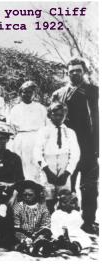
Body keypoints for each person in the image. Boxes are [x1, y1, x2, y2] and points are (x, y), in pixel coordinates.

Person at [52, 58, 99, 234]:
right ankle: (67, 224)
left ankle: (88, 222)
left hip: (88, 148)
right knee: (66, 188)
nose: (74, 74)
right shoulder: (59, 94)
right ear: (67, 73)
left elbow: (97, 119)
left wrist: (97, 147)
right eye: (71, 71)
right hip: (66, 148)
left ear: (84, 72)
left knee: (90, 187)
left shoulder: (94, 91)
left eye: (78, 70)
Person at [33, 102, 80, 213]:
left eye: (61, 115)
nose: (58, 117)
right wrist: (47, 171)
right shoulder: (43, 131)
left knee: (65, 198)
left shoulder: (70, 133)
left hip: (64, 168)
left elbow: (75, 154)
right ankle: (48, 225)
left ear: (65, 116)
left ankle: (63, 224)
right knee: (47, 197)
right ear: (50, 114)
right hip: (48, 167)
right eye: (55, 114)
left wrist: (67, 173)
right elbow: (37, 152)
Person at [8, 81, 48, 182]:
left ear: (34, 94)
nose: (26, 94)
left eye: (30, 92)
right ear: (20, 93)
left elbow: (46, 126)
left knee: (36, 166)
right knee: (22, 166)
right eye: (24, 92)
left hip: (37, 140)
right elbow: (10, 128)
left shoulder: (41, 108)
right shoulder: (15, 109)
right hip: (20, 141)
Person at [13, 180, 54, 257]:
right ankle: (30, 247)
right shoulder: (18, 207)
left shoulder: (43, 208)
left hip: (38, 234)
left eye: (30, 195)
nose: (27, 197)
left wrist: (38, 236)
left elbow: (45, 226)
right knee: (17, 237)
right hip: (22, 233)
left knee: (47, 234)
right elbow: (16, 228)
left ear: (36, 195)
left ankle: (39, 246)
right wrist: (25, 238)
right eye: (25, 195)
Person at [51, 189, 93, 254]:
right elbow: (54, 227)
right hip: (61, 234)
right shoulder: (57, 214)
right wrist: (59, 235)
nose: (73, 205)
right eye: (70, 203)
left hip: (75, 233)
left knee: (84, 240)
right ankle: (61, 245)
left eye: (73, 203)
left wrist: (74, 227)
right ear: (62, 203)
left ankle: (75, 246)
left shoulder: (75, 213)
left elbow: (80, 223)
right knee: (56, 239)